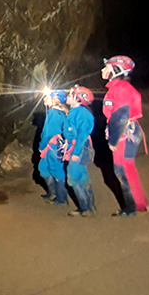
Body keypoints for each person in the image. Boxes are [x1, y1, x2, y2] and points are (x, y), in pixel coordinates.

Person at [102, 55, 149, 216]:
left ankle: (132, 207)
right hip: (128, 130)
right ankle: (140, 205)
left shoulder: (120, 87)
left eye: (107, 66)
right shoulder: (119, 87)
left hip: (125, 132)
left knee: (121, 169)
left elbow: (121, 114)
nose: (103, 70)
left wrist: (113, 139)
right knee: (127, 168)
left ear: (116, 69)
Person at [63, 85, 96, 217]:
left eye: (71, 95)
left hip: (80, 147)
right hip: (78, 146)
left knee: (74, 178)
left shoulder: (82, 114)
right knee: (82, 177)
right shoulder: (76, 112)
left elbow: (82, 135)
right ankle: (90, 207)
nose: (67, 97)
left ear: (78, 99)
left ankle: (85, 208)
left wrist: (76, 152)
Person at [38, 89, 69, 205]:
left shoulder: (55, 113)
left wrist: (42, 146)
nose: (45, 99)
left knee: (56, 170)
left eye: (48, 97)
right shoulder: (55, 112)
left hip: (53, 146)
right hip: (51, 145)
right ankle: (53, 193)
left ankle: (62, 199)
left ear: (55, 99)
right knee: (44, 168)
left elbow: (49, 133)